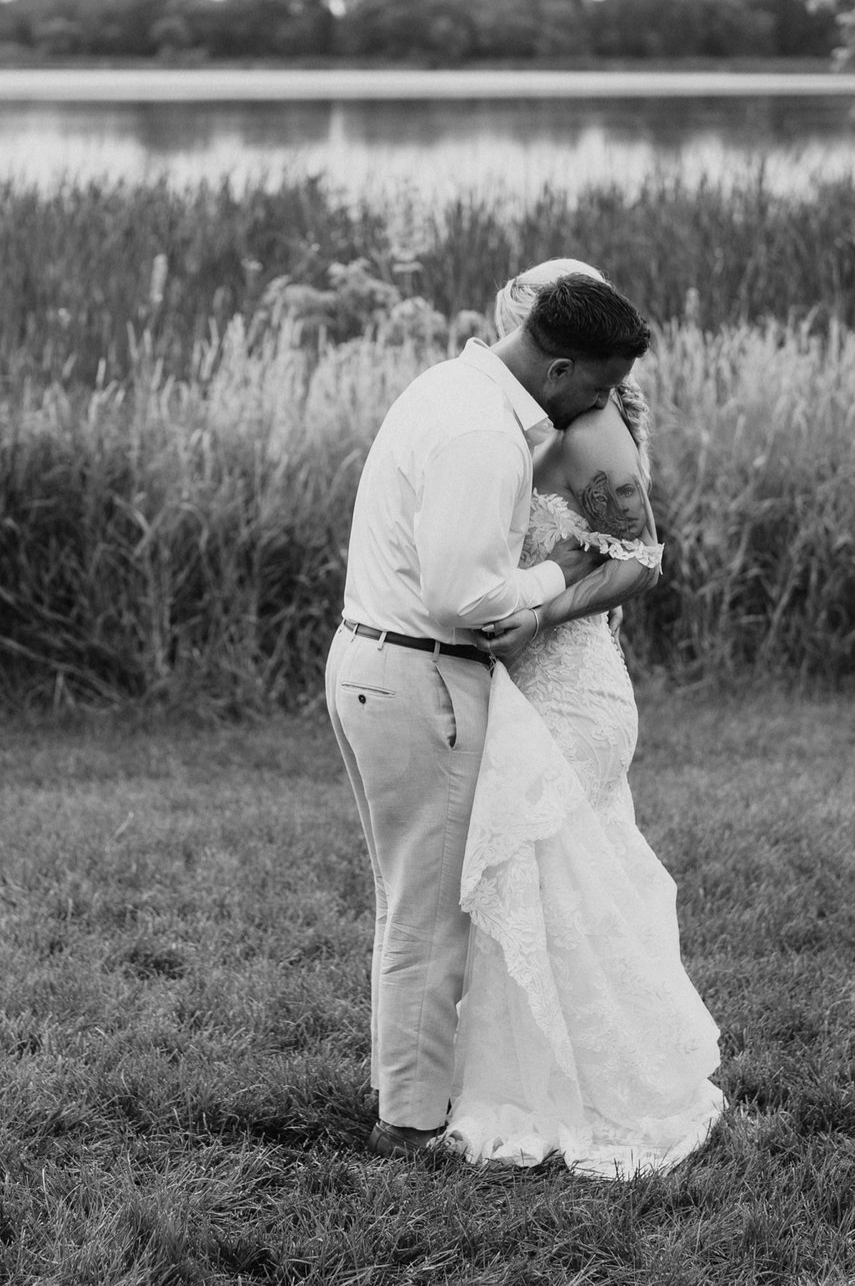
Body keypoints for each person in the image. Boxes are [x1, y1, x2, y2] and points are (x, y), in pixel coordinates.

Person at [326, 274, 644, 1158]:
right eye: (597, 384)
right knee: (430, 914)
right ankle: (412, 1123)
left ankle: (407, 1093)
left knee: (410, 902)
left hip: (381, 664)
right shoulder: (482, 432)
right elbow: (467, 595)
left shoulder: (452, 389)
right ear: (562, 364)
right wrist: (561, 573)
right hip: (420, 675)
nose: (601, 405)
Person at [442, 259, 724, 1176]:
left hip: (574, 687)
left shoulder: (592, 424)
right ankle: (519, 1078)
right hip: (518, 688)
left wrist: (545, 610)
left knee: (550, 873)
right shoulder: (512, 420)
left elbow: (642, 560)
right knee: (535, 879)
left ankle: (598, 1090)